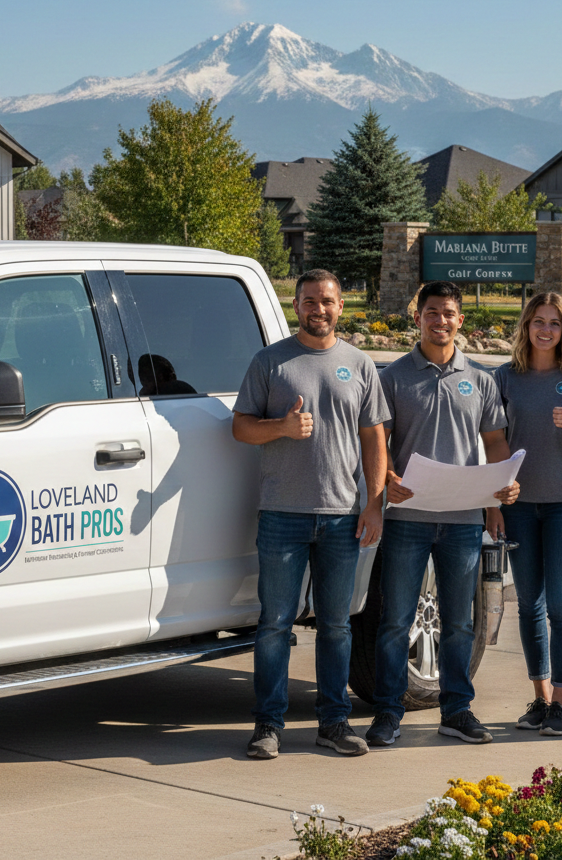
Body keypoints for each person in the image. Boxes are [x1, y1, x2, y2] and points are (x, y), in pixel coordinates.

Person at [232, 268, 389, 759]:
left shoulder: (360, 364)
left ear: (341, 307)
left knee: (337, 625)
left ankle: (333, 724)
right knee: (276, 622)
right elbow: (240, 428)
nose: (318, 309)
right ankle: (268, 725)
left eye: (327, 301)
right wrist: (280, 426)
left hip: (343, 515)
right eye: (309, 301)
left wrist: (375, 504)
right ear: (295, 306)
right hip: (283, 514)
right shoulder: (270, 362)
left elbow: (374, 439)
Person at [366, 280, 519, 748]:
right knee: (395, 620)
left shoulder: (481, 379)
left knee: (458, 622)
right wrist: (388, 477)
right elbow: (379, 443)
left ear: (460, 320)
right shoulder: (392, 378)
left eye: (449, 313)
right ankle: (389, 712)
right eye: (432, 313)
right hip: (407, 517)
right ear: (419, 318)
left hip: (462, 519)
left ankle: (456, 710)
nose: (441, 321)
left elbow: (495, 445)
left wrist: (497, 499)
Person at [493, 292, 562, 736]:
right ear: (526, 326)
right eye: (538, 321)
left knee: (561, 605)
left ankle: (561, 701)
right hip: (518, 505)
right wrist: (493, 503)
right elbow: (492, 443)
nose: (545, 330)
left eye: (554, 323)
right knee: (528, 604)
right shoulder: (504, 378)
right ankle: (538, 699)